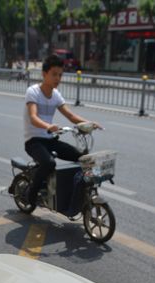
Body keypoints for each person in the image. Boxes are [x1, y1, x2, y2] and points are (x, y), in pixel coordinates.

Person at [23, 54, 100, 214]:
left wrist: (89, 124)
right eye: (54, 74)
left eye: (60, 75)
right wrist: (48, 126)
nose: (57, 78)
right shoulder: (33, 92)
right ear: (44, 74)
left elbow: (71, 116)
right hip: (34, 141)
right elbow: (33, 117)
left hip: (50, 139)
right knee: (49, 163)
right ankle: (31, 191)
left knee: (83, 159)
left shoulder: (56, 95)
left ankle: (76, 195)